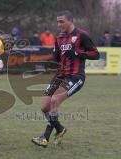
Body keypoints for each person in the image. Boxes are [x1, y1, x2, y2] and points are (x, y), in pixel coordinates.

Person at [32, 10, 100, 147]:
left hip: (75, 76)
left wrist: (77, 52)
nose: (59, 24)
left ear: (70, 21)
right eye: (57, 21)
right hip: (60, 75)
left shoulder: (82, 35)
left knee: (54, 100)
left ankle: (44, 138)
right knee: (45, 107)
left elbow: (96, 54)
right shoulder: (59, 38)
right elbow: (56, 59)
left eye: (61, 21)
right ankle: (60, 129)